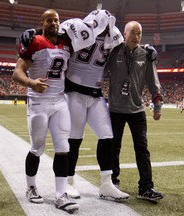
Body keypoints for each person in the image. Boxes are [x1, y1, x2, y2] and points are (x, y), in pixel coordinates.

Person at [12, 9, 79, 214]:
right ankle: (31, 187)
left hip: (59, 102)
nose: (54, 23)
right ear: (42, 22)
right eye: (49, 20)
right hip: (38, 102)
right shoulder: (35, 41)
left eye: (56, 20)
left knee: (63, 147)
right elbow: (17, 72)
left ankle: (61, 195)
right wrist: (31, 82)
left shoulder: (66, 43)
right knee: (37, 147)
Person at [59, 9, 129, 201]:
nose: (107, 29)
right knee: (74, 138)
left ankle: (106, 184)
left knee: (107, 136)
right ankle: (69, 180)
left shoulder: (113, 36)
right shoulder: (78, 28)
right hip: (74, 91)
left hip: (96, 93)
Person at [104, 21, 164, 202]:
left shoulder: (146, 55)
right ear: (124, 33)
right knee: (114, 148)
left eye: (139, 33)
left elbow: (154, 82)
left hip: (137, 110)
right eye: (132, 32)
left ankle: (146, 187)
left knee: (142, 149)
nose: (136, 37)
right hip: (115, 109)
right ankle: (113, 184)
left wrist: (157, 106)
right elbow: (100, 72)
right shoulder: (114, 52)